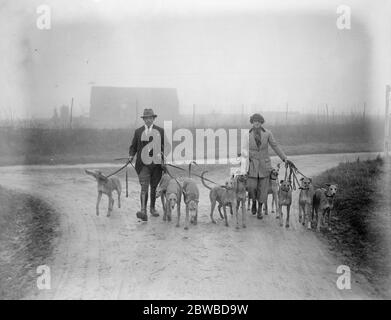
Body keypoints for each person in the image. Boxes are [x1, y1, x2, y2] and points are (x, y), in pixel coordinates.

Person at [241, 113, 294, 219]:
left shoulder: (268, 133)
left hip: (265, 166)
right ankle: (254, 202)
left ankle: (260, 209)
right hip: (252, 165)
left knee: (263, 189)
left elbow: (275, 146)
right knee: (252, 187)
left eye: (259, 121)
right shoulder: (246, 134)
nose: (257, 123)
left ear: (261, 123)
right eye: (255, 121)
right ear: (252, 122)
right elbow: (243, 150)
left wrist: (284, 158)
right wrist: (243, 161)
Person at [128, 108, 167, 221]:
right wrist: (131, 155)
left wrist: (164, 158)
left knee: (154, 187)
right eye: (146, 118)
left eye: (150, 118)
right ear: (144, 119)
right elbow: (133, 147)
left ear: (153, 119)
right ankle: (143, 210)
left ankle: (152, 208)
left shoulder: (160, 131)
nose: (148, 120)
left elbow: (165, 146)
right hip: (143, 164)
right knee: (144, 186)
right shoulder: (138, 132)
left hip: (156, 164)